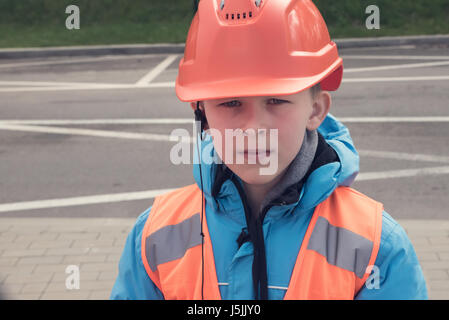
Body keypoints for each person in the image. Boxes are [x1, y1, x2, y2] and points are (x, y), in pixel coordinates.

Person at [110, 0, 428, 300]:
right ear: (202, 113)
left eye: (276, 100)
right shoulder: (154, 237)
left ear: (316, 110)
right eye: (231, 102)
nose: (253, 128)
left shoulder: (376, 246)